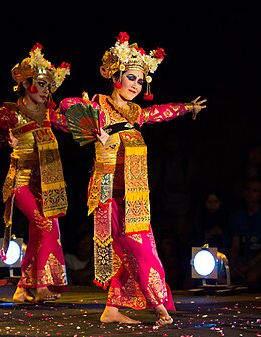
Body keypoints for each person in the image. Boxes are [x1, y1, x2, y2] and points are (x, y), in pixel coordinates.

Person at [58, 32, 207, 326]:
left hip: (134, 197)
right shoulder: (98, 106)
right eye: (131, 78)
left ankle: (112, 309)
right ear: (115, 76)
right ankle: (157, 306)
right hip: (108, 194)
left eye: (141, 81)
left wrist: (186, 108)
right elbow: (66, 108)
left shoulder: (135, 112)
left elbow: (158, 113)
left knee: (138, 249)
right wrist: (97, 134)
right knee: (139, 250)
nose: (136, 85)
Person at [0, 42, 71, 303]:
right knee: (43, 223)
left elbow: (72, 125)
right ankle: (39, 287)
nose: (45, 90)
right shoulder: (14, 114)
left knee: (46, 229)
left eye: (48, 85)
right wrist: (6, 137)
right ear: (26, 85)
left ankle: (23, 287)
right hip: (21, 182)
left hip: (46, 185)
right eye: (40, 83)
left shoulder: (50, 114)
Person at [229, 175, 261, 292]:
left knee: (252, 276)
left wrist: (249, 264)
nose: (250, 193)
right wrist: (230, 265)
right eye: (248, 189)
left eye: (255, 191)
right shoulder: (239, 215)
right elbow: (235, 245)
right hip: (245, 255)